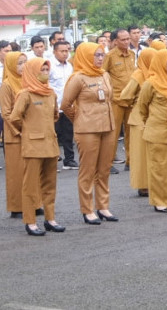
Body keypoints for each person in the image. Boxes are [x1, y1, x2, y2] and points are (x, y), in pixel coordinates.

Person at [61, 42, 118, 225]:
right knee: (88, 170)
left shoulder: (105, 75)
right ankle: (87, 209)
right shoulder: (78, 77)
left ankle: (103, 206)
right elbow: (65, 105)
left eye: (102, 55)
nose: (100, 59)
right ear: (86, 56)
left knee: (104, 169)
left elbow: (110, 99)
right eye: (96, 55)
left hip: (107, 127)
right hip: (87, 130)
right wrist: (79, 119)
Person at [9, 58, 64, 235]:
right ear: (33, 72)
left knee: (50, 185)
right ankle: (30, 222)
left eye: (47, 69)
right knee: (30, 186)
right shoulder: (26, 94)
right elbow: (15, 118)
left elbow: (55, 115)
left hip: (50, 144)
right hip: (33, 145)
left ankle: (50, 219)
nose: (46, 72)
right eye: (42, 69)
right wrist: (29, 131)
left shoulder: (51, 93)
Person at [139, 49, 167, 212]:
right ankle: (160, 201)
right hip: (157, 132)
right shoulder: (150, 83)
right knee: (158, 168)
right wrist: (151, 121)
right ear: (160, 62)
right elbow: (142, 106)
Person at [119, 48, 156, 197]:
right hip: (139, 118)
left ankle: (153, 183)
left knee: (152, 153)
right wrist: (137, 102)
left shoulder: (157, 74)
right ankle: (142, 185)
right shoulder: (138, 74)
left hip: (152, 117)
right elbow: (125, 95)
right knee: (140, 154)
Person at [102, 28, 136, 172]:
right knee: (113, 134)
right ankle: (108, 163)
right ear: (115, 41)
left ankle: (130, 161)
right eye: (123, 39)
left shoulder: (132, 54)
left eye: (128, 39)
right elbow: (102, 75)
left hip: (131, 99)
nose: (127, 41)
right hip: (116, 99)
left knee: (132, 132)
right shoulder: (109, 56)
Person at [1, 52, 30, 218]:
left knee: (32, 171)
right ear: (11, 65)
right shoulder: (6, 85)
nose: (23, 66)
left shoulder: (28, 82)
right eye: (19, 63)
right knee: (16, 173)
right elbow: (6, 113)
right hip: (15, 135)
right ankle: (17, 207)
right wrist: (19, 128)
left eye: (25, 62)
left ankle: (34, 203)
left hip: (30, 132)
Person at [49, 40, 78, 169]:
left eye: (67, 51)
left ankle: (69, 160)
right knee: (52, 134)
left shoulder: (70, 66)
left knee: (68, 134)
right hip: (53, 106)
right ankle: (52, 160)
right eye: (62, 51)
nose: (65, 54)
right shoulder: (49, 66)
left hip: (67, 106)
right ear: (54, 52)